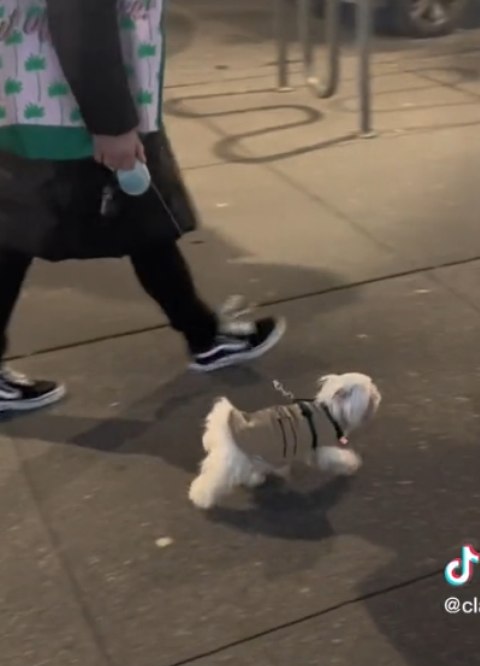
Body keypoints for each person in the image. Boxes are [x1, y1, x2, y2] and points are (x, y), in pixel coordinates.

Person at [0, 0, 285, 413]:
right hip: (68, 111)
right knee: (35, 230)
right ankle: (204, 337)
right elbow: (81, 20)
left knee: (122, 223)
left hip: (32, 99)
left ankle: (203, 334)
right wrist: (112, 124)